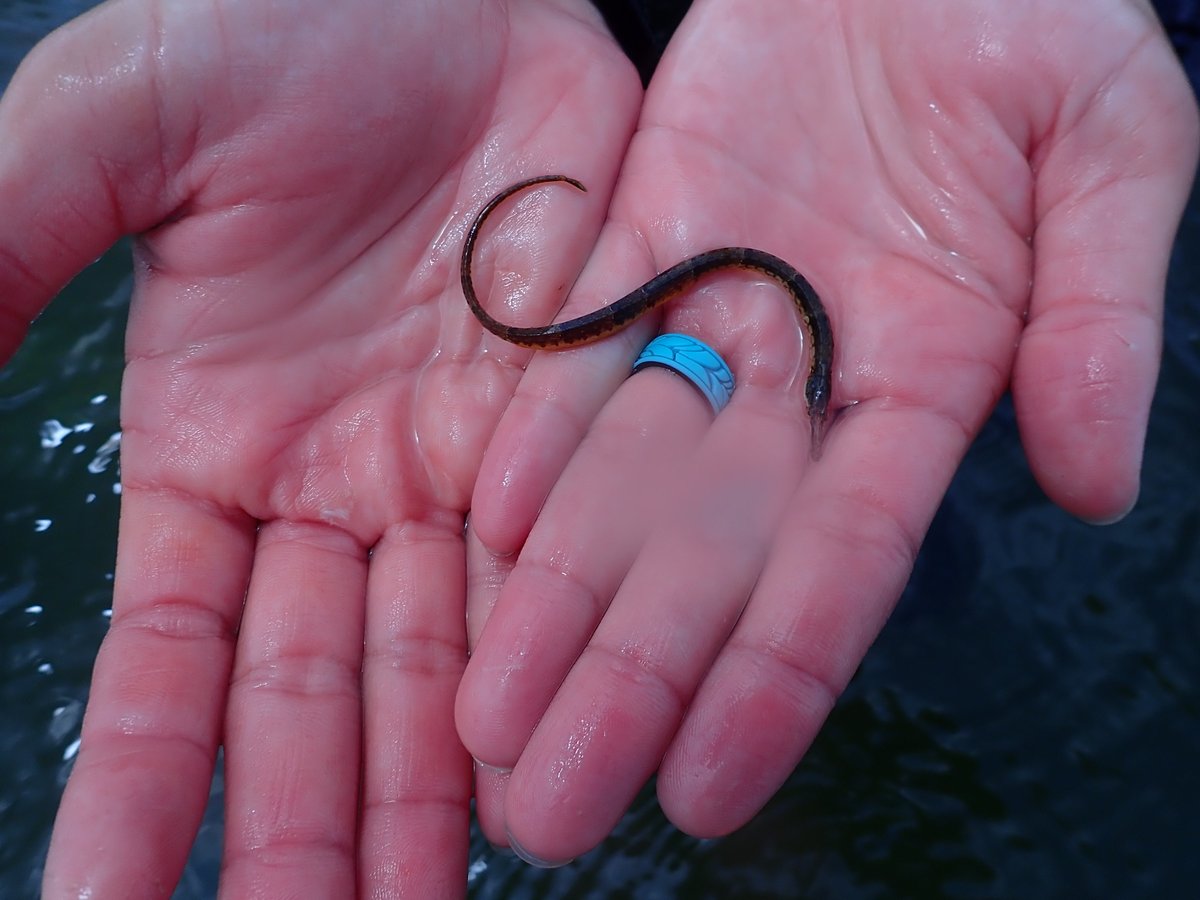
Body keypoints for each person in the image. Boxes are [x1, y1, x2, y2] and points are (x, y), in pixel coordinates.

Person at [0, 0, 1191, 897]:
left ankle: (761, 772)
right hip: (612, 89)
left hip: (818, 163)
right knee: (671, 592)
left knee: (820, 558)